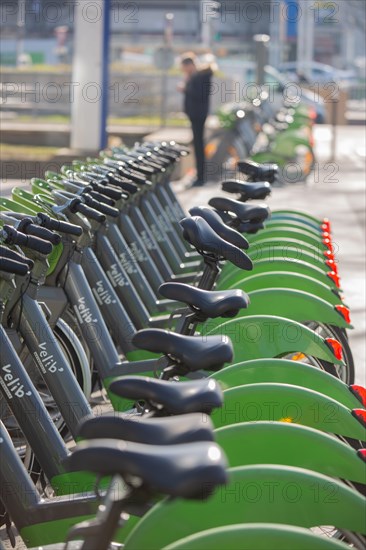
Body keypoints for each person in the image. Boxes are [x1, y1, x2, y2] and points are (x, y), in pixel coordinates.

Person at [179, 53, 213, 187]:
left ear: (190, 65)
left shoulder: (200, 77)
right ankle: (199, 175)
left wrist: (185, 88)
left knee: (199, 145)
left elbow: (199, 95)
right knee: (197, 144)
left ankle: (201, 176)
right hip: (196, 114)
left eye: (184, 67)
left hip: (198, 114)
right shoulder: (198, 76)